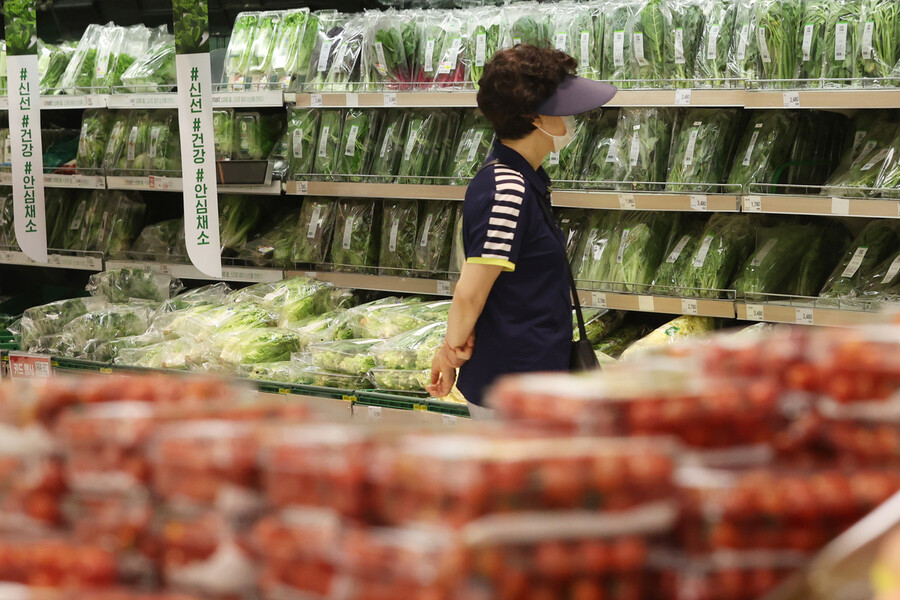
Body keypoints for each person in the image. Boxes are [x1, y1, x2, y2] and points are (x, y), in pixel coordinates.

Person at [426, 44, 617, 418]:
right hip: (513, 391)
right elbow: (470, 292)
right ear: (532, 116)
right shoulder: (507, 189)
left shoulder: (523, 178)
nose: (573, 119)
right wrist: (449, 352)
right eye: (562, 108)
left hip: (532, 381)